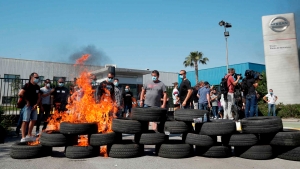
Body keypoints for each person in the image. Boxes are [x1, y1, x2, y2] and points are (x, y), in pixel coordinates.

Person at [19, 72, 41, 142]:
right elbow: (20, 93)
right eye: (36, 77)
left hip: (34, 106)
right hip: (27, 106)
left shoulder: (37, 87)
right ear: (31, 77)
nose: (37, 79)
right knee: (25, 120)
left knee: (34, 120)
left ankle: (29, 134)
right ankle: (23, 137)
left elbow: (39, 97)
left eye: (38, 78)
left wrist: (36, 104)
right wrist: (27, 101)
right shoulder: (27, 85)